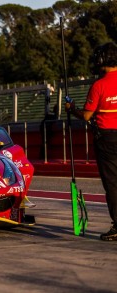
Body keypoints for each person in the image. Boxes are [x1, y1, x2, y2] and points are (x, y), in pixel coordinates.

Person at [65, 42, 117, 241]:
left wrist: (72, 109)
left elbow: (87, 116)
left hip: (107, 139)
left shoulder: (99, 85)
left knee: (112, 184)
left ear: (103, 60)